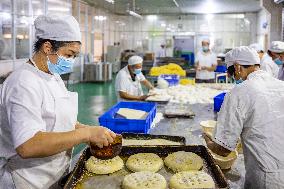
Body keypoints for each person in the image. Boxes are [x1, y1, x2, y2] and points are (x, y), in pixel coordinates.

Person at [0, 14, 116, 189]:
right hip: (28, 180)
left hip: (54, 176)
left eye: (74, 56)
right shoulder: (23, 82)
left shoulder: (53, 77)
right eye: (68, 54)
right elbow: (27, 145)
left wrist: (91, 131)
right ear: (47, 47)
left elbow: (61, 122)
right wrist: (86, 134)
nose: (70, 61)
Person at [204, 46, 284, 189]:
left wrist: (209, 144)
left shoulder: (240, 92)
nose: (233, 78)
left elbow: (224, 149)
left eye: (231, 73)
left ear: (237, 67)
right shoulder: (281, 86)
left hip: (266, 176)